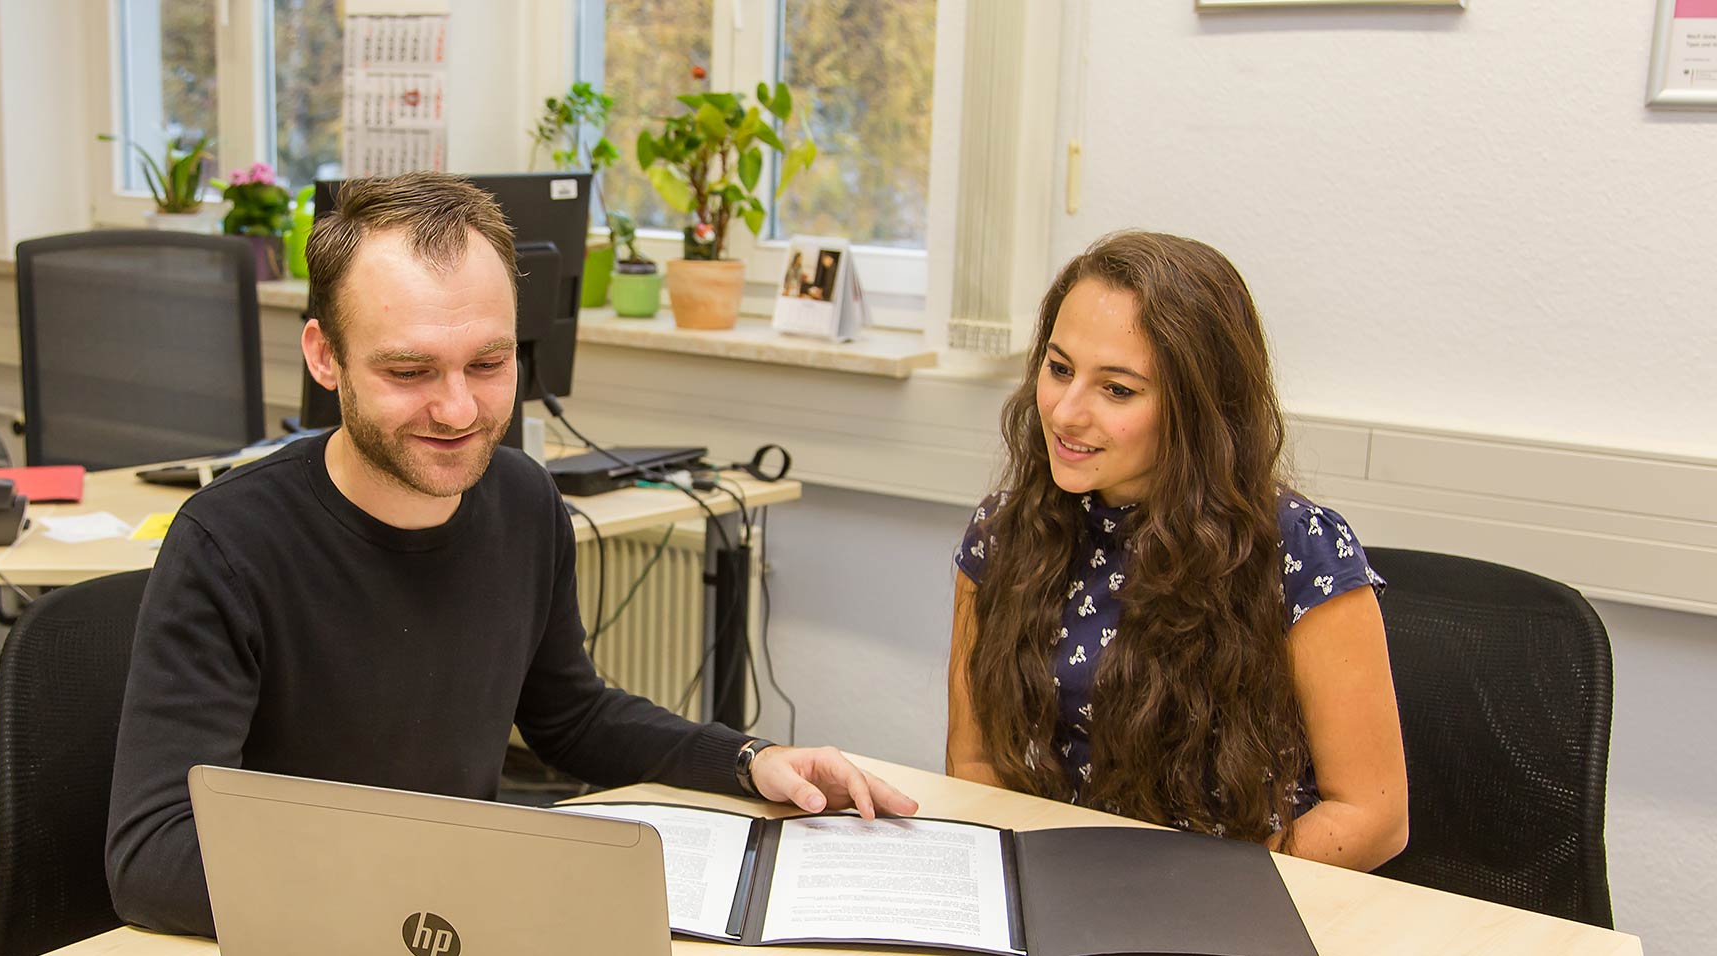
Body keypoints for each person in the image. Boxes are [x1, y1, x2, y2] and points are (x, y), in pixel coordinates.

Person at [106, 172, 917, 937]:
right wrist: (445, 870)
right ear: (324, 357)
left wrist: (750, 759)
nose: (458, 409)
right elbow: (151, 856)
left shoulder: (525, 502)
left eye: (489, 364)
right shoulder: (229, 545)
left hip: (446, 925)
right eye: (408, 369)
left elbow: (570, 716)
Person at [946, 230, 1407, 870]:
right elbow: (973, 763)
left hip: (1232, 903)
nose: (1065, 412)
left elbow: (1372, 818)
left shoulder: (1299, 550)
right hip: (1060, 889)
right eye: (1058, 369)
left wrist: (1193, 895)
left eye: (1117, 389)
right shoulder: (1002, 534)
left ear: (1197, 409)